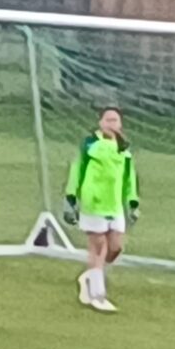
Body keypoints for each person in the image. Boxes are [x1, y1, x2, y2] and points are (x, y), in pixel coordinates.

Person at [63, 107, 140, 313]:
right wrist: (71, 196)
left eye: (115, 120)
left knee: (115, 248)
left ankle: (90, 276)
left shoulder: (123, 149)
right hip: (93, 203)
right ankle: (97, 295)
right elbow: (77, 170)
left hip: (114, 206)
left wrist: (132, 202)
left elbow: (129, 178)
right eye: (108, 120)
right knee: (98, 248)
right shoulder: (90, 145)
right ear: (100, 123)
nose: (111, 124)